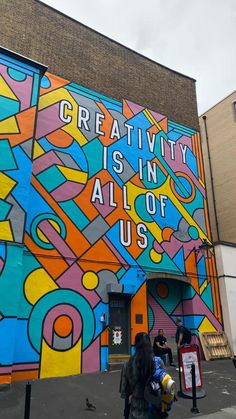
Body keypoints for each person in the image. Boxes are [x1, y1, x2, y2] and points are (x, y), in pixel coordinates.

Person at [120, 332, 164, 418]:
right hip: (155, 410)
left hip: (136, 411)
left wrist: (126, 409)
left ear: (135, 345)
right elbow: (165, 386)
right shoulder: (158, 362)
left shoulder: (128, 364)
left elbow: (125, 392)